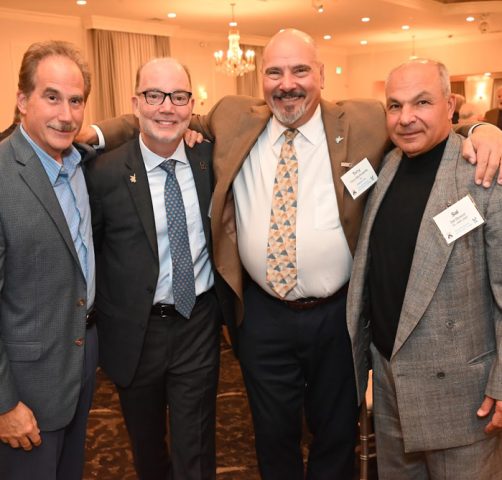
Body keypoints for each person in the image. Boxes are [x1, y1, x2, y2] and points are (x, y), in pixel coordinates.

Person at [77, 29, 502, 480]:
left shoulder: (366, 119)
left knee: (335, 434)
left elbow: (424, 123)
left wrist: (483, 129)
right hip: (263, 315)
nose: (287, 84)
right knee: (272, 435)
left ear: (321, 75)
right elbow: (164, 116)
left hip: (337, 315)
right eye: (275, 72)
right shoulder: (233, 116)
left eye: (300, 70)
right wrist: (95, 132)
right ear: (261, 78)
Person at [347, 59, 502, 479]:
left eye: (422, 102)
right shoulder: (386, 166)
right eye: (395, 106)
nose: (406, 117)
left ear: (450, 105)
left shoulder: (484, 173)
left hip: (464, 400)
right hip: (391, 389)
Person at [85, 57, 225, 480]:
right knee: (146, 449)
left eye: (178, 97)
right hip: (135, 332)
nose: (166, 107)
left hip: (196, 321)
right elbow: (92, 253)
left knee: (195, 448)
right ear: (135, 103)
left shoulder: (211, 161)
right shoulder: (104, 173)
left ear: (192, 106)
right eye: (154, 95)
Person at [0, 41, 97, 480]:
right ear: (23, 101)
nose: (66, 114)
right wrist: (4, 403)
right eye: (52, 97)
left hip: (80, 363)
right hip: (25, 386)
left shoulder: (83, 162)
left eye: (76, 101)